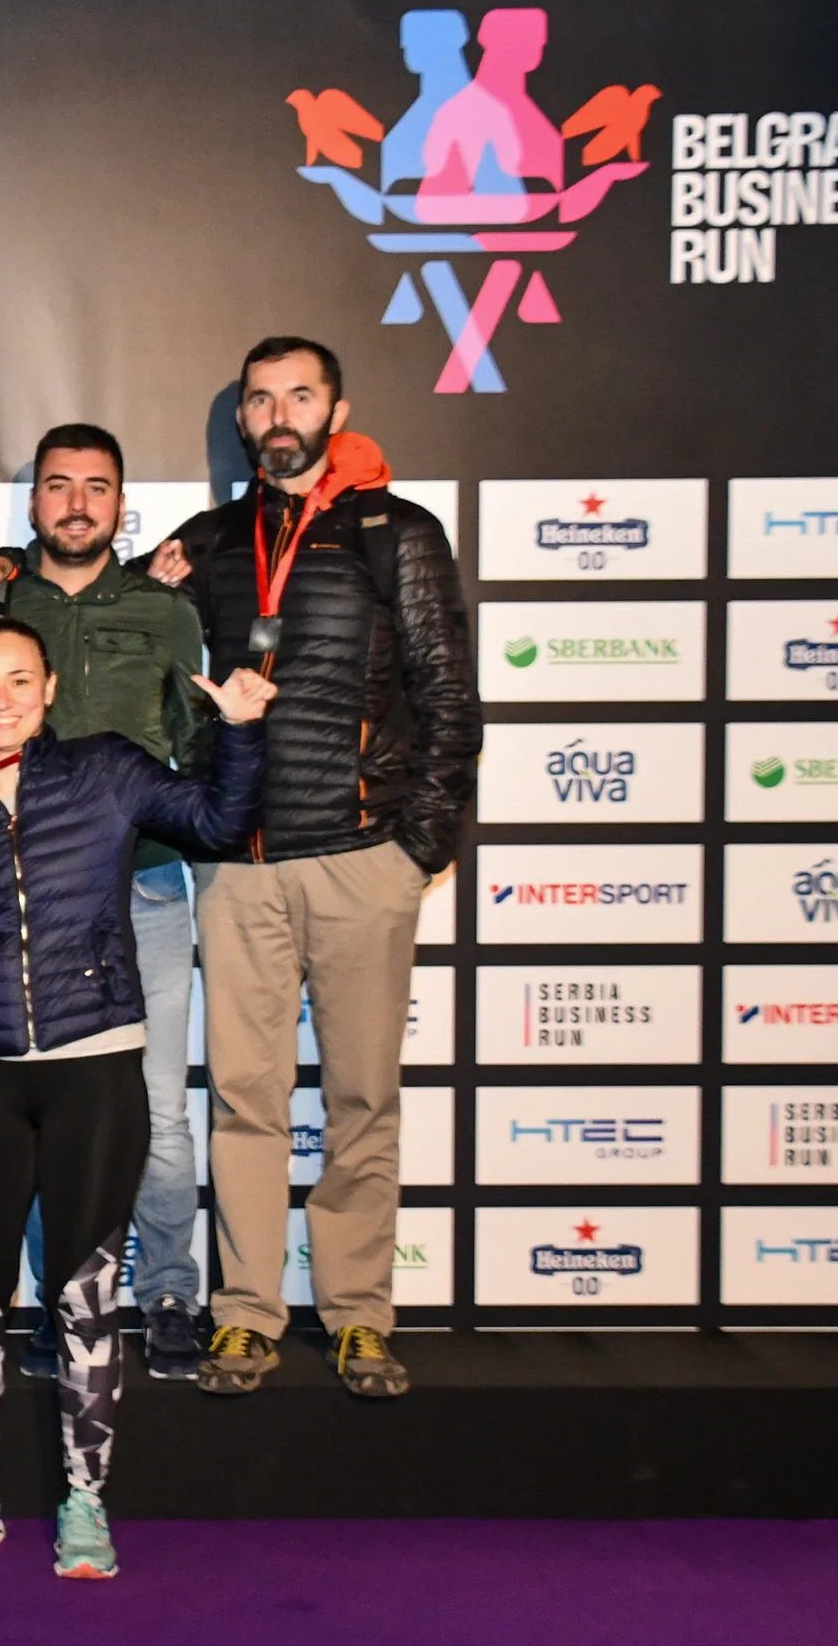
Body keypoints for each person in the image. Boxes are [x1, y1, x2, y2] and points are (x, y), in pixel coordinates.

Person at [0, 618, 269, 1579]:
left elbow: (219, 824)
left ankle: (86, 1504)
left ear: (50, 687)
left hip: (96, 1067)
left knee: (86, 1296)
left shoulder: (107, 768)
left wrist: (239, 731)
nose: (1, 698)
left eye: (19, 679)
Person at [147, 337, 480, 1398]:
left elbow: (448, 691)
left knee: (361, 1099)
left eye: (299, 395)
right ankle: (245, 1313)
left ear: (335, 412)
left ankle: (359, 1314)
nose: (278, 415)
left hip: (360, 858)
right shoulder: (204, 542)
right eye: (260, 399)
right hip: (238, 865)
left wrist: (416, 847)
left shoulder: (397, 530)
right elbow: (114, 624)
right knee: (243, 1099)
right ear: (242, 419)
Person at [0, 422, 218, 1382]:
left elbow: (196, 744)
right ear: (32, 501)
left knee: (157, 1109)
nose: (77, 503)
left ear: (121, 503)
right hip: (15, 894)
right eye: (59, 485)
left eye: (97, 487)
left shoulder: (165, 609)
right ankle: (55, 1303)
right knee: (36, 1111)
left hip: (143, 883)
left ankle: (167, 1296)